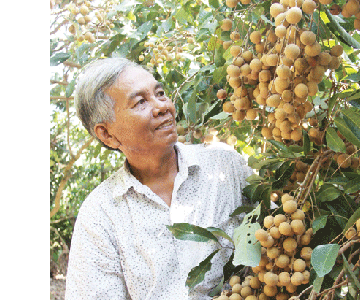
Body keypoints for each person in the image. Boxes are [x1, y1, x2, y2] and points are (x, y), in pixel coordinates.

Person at [65, 57, 252, 300]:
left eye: (160, 93)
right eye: (140, 102)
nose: (163, 106)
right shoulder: (100, 214)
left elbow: (279, 237)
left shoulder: (226, 166)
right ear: (107, 134)